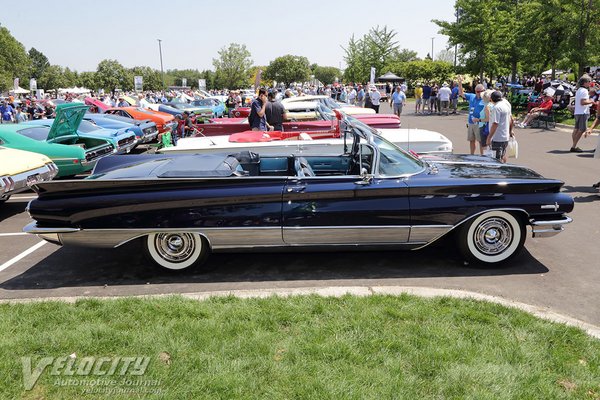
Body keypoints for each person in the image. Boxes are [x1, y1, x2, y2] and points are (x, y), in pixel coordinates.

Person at [458, 76, 486, 155]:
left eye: (481, 91)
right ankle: (472, 155)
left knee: (481, 141)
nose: (480, 93)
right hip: (471, 122)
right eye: (478, 91)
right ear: (475, 91)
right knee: (471, 140)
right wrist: (460, 83)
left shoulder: (485, 99)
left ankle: (482, 157)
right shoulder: (472, 96)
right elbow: (461, 93)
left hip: (480, 123)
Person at [486, 91, 513, 163]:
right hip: (505, 136)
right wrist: (510, 131)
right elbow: (511, 119)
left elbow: (495, 123)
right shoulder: (506, 106)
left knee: (496, 160)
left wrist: (489, 137)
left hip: (497, 137)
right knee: (502, 156)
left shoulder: (496, 108)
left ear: (492, 99)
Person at [571, 74, 594, 152]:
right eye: (589, 81)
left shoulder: (579, 90)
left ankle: (573, 145)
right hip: (582, 112)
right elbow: (583, 102)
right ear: (585, 82)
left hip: (577, 112)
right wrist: (591, 101)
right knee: (582, 129)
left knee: (576, 129)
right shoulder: (584, 90)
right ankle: (573, 146)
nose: (590, 83)